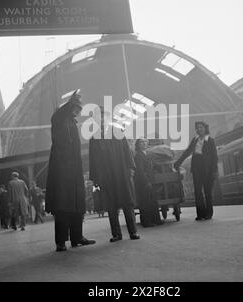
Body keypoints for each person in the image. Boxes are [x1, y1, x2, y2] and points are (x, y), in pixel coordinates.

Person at [45, 91, 96, 252]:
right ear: (68, 107)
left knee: (77, 205)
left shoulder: (72, 122)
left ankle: (77, 237)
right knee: (63, 206)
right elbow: (59, 114)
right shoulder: (59, 120)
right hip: (61, 170)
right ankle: (60, 242)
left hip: (74, 170)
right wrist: (71, 101)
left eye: (79, 109)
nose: (78, 111)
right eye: (76, 107)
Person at [89, 107, 140, 242]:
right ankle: (116, 234)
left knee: (127, 203)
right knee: (111, 205)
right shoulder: (94, 138)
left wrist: (130, 167)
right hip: (106, 176)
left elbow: (126, 150)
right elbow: (93, 159)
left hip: (121, 172)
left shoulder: (117, 132)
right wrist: (95, 178)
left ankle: (133, 231)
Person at [174, 121, 218, 221]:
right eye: (197, 128)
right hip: (196, 167)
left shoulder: (210, 140)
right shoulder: (195, 139)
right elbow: (188, 151)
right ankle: (200, 214)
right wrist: (178, 162)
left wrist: (214, 171)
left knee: (207, 192)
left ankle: (209, 214)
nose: (199, 129)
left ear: (205, 128)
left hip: (207, 169)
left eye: (200, 127)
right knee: (197, 191)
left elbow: (214, 157)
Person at [134, 138, 162, 227]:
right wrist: (146, 182)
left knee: (153, 201)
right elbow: (140, 171)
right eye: (141, 142)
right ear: (137, 145)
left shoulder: (145, 154)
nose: (144, 144)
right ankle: (146, 222)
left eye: (145, 142)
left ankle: (156, 220)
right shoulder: (138, 156)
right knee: (145, 202)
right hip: (143, 182)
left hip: (149, 180)